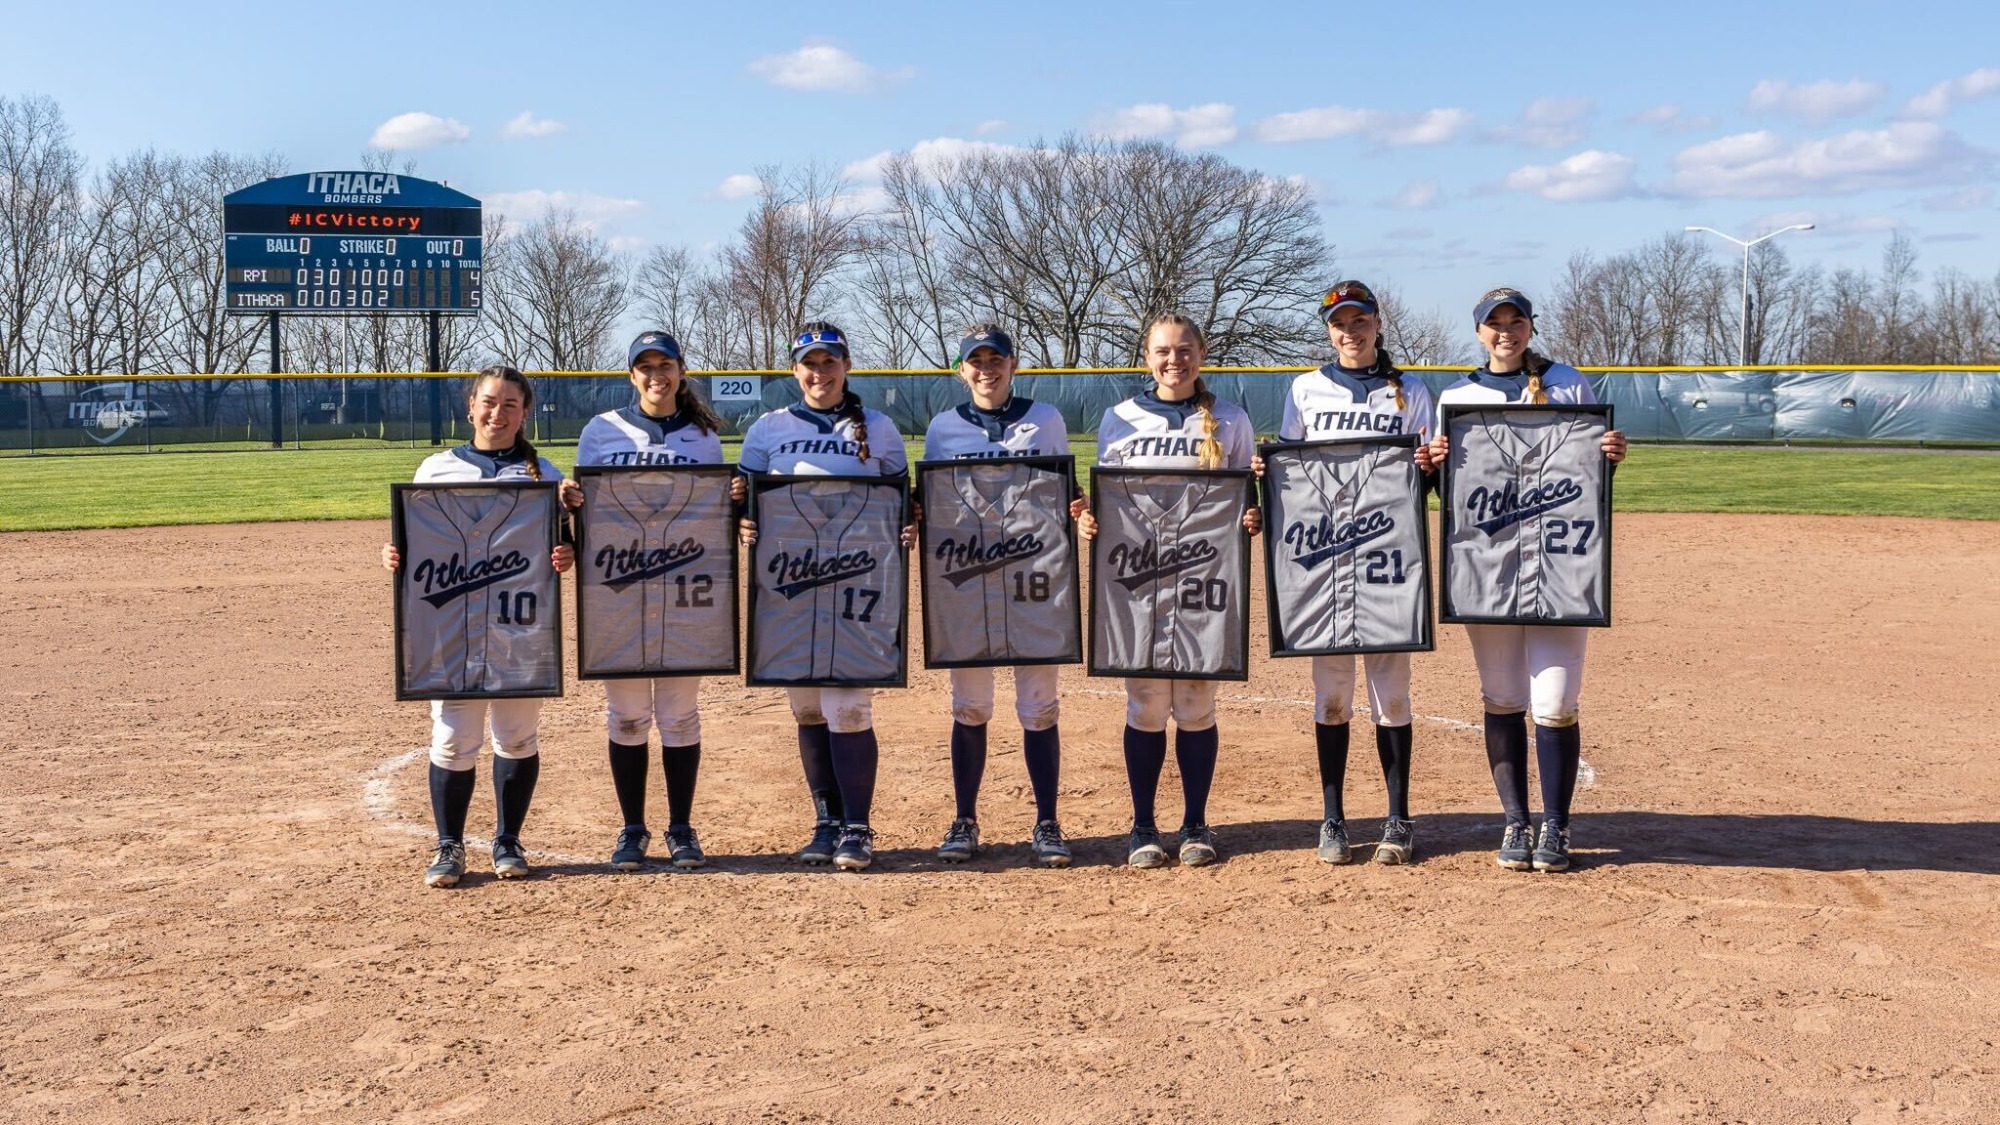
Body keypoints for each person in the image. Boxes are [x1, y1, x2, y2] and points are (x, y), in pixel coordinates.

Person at [1425, 288, 1627, 873]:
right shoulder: (1457, 397)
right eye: (1495, 323)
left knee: (1556, 701)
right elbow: (1452, 498)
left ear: (1531, 327)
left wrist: (1610, 452)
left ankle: (1557, 827)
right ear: (1480, 332)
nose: (1505, 331)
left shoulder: (1568, 382)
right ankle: (1516, 822)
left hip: (1562, 564)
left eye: (1516, 321)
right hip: (1488, 567)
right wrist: (1436, 466)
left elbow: (1589, 472)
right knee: (1503, 697)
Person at [1260, 280, 1436, 867]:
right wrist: (1268, 470)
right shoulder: (1305, 388)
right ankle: (1332, 816)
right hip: (1326, 560)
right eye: (1339, 321)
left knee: (1391, 692)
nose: (1350, 330)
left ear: (1377, 323)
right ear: (1329, 329)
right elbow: (1292, 480)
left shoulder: (1411, 391)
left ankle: (1398, 816)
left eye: (1359, 320)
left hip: (1388, 558)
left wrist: (1428, 469)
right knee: (1332, 694)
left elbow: (1429, 483)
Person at [1077, 314, 1261, 868]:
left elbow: (1244, 498)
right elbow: (1109, 499)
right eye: (1162, 350)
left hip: (1204, 577)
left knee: (1196, 701)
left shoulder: (1229, 419)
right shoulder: (1120, 418)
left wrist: (1252, 515)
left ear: (1201, 355)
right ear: (1146, 356)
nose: (1173, 360)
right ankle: (1142, 826)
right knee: (1148, 702)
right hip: (1138, 579)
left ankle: (1196, 823)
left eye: (1184, 350)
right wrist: (1091, 522)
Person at [380, 365, 575, 888]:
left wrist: (565, 552)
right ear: (470, 407)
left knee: (516, 736)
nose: (498, 412)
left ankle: (508, 840)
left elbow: (565, 546)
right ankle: (450, 846)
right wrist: (394, 552)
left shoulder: (545, 475)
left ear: (525, 413)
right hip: (452, 626)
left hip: (519, 624)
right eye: (489, 402)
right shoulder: (436, 469)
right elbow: (414, 539)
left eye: (511, 404)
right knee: (452, 739)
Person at [737, 321, 910, 872]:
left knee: (849, 704)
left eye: (829, 361)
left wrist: (908, 527)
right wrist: (742, 522)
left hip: (857, 580)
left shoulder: (878, 428)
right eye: (809, 363)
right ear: (795, 370)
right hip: (792, 582)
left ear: (846, 366)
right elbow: (743, 505)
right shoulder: (767, 429)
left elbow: (902, 503)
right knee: (808, 706)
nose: (819, 372)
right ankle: (826, 820)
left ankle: (858, 826)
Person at [567, 330, 734, 872]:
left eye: (665, 364)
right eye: (645, 366)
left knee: (680, 715)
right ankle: (633, 829)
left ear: (682, 371)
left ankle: (682, 828)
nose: (655, 374)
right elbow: (587, 511)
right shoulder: (601, 430)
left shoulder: (702, 434)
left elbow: (709, 515)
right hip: (621, 589)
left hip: (686, 587)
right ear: (631, 375)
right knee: (628, 715)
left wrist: (732, 499)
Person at [920, 324, 1082, 868]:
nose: (986, 368)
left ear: (1015, 365)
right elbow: (934, 502)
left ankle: (1046, 819)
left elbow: (1065, 491)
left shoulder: (1046, 419)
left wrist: (1079, 510)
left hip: (1034, 577)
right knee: (970, 706)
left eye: (997, 358)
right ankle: (965, 818)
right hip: (968, 582)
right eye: (976, 360)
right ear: (961, 370)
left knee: (1039, 707)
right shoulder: (944, 427)